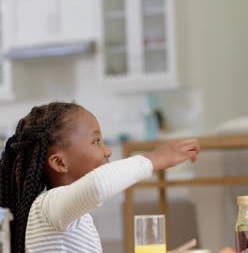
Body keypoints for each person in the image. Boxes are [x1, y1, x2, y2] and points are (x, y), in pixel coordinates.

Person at [0, 102, 200, 253]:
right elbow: (98, 184)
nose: (108, 151)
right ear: (59, 163)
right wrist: (157, 158)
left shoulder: (65, 213)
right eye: (96, 141)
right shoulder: (47, 207)